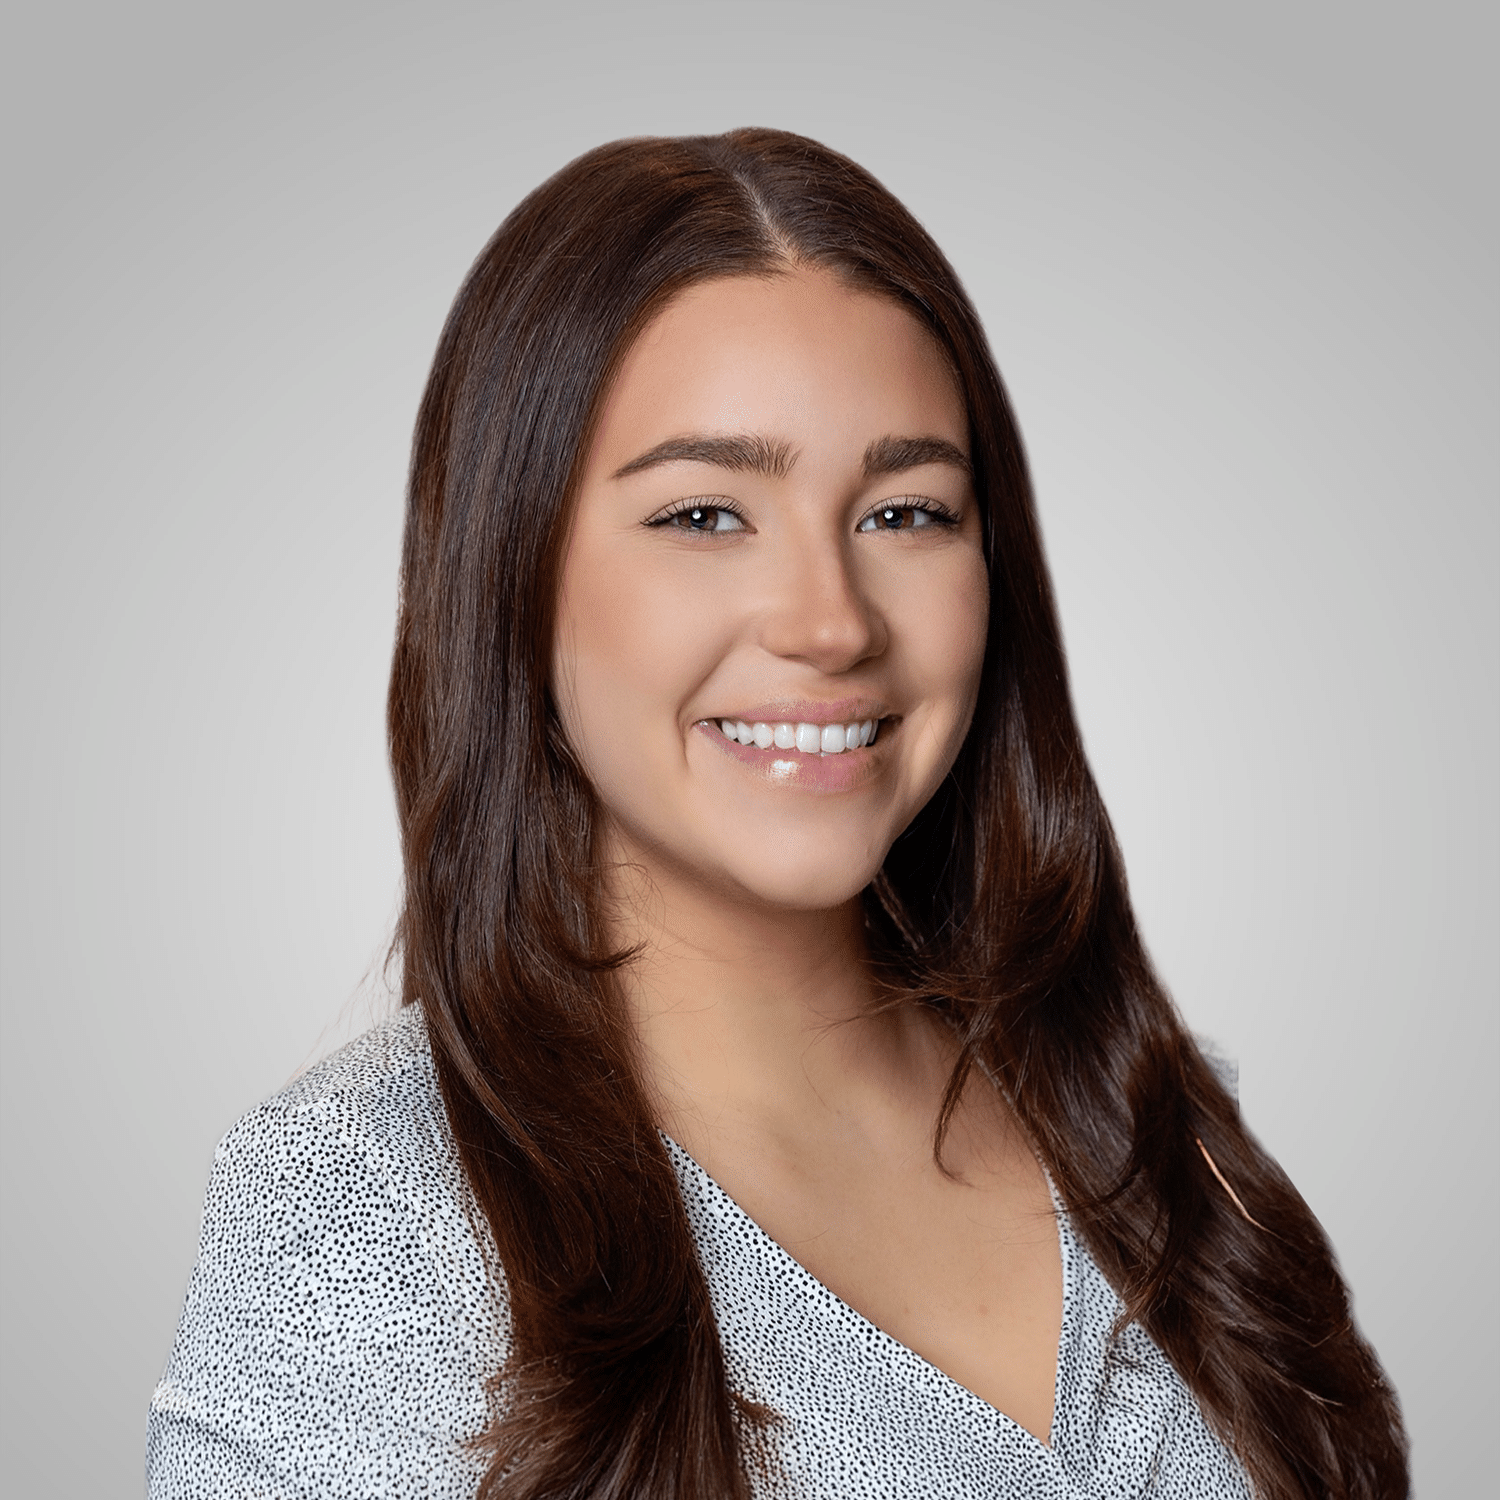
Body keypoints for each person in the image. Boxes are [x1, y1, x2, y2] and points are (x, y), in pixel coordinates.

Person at [146, 129, 1407, 1499]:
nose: (829, 622)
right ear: (511, 572)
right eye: (703, 515)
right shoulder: (364, 1209)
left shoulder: (1157, 1122)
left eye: (906, 512)